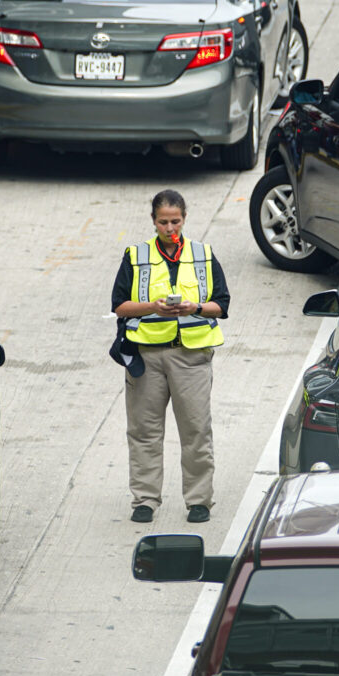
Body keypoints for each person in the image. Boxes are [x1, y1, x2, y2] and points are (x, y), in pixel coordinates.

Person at [111, 189, 229, 524]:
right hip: (147, 357)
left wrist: (196, 307)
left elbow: (222, 304)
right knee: (144, 431)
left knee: (196, 430)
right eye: (163, 221)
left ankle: (199, 501)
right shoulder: (136, 256)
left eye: (175, 221)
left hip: (191, 357)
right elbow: (118, 305)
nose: (169, 227)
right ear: (153, 221)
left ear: (184, 219)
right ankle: (145, 500)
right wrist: (152, 307)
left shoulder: (203, 255)